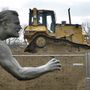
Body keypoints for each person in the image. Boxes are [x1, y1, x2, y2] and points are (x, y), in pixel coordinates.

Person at [0, 10, 61, 80]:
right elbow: (20, 73)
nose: (20, 27)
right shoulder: (1, 47)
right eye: (16, 23)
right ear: (4, 24)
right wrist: (46, 67)